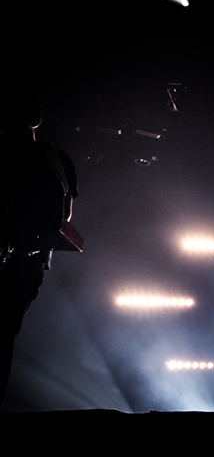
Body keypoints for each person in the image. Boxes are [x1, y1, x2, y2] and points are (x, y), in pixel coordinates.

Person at [0, 98, 78, 404]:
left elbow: (61, 217)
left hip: (23, 259)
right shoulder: (55, 158)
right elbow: (64, 216)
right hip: (25, 260)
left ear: (34, 119)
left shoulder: (51, 158)